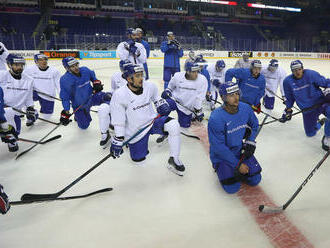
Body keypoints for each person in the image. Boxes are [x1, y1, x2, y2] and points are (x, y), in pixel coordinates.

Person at [109, 64, 185, 176]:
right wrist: (119, 138)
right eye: (137, 76)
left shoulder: (150, 86)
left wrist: (161, 104)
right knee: (139, 161)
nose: (141, 78)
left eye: (142, 75)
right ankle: (137, 148)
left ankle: (174, 159)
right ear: (129, 79)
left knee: (173, 125)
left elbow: (156, 98)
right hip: (136, 131)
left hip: (152, 122)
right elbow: (118, 120)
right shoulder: (119, 95)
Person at [208, 81, 261, 194]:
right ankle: (219, 167)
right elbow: (218, 147)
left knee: (255, 179)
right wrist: (237, 165)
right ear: (223, 97)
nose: (236, 98)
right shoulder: (216, 118)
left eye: (237, 93)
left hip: (239, 150)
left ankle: (234, 170)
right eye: (231, 95)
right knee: (232, 188)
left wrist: (251, 141)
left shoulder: (246, 108)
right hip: (222, 156)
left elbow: (255, 125)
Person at [279, 60, 330, 151]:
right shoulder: (287, 81)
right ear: (291, 71)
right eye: (294, 70)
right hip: (308, 110)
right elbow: (289, 98)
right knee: (310, 134)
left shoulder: (311, 74)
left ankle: (327, 137)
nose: (297, 72)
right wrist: (288, 110)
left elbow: (326, 82)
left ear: (302, 68)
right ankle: (321, 122)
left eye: (299, 69)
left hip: (320, 103)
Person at [0, 54, 38, 152]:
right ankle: (10, 140)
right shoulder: (2, 76)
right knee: (9, 131)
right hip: (3, 110)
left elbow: (29, 97)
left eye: (21, 65)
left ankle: (11, 138)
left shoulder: (29, 80)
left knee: (15, 132)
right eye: (16, 65)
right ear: (9, 65)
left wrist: (30, 108)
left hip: (16, 111)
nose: (19, 67)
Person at [59, 57, 108, 130]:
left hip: (91, 98)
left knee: (108, 97)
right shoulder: (65, 79)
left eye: (76, 65)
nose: (76, 68)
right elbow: (65, 97)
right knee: (84, 126)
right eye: (72, 66)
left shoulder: (85, 70)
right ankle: (78, 116)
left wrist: (97, 83)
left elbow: (94, 78)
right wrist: (66, 111)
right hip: (79, 105)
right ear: (66, 68)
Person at [161, 61, 208, 135]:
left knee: (184, 126)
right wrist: (167, 91)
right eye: (193, 72)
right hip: (175, 101)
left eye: (197, 71)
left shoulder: (202, 80)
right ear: (188, 71)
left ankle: (189, 118)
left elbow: (199, 98)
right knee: (163, 107)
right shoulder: (177, 76)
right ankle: (162, 125)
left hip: (187, 108)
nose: (196, 74)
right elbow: (170, 87)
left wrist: (198, 111)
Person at [97, 60, 132, 146]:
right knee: (102, 109)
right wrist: (109, 94)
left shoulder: (136, 76)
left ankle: (128, 134)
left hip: (130, 103)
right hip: (116, 101)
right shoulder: (115, 76)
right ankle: (105, 134)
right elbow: (113, 89)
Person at [24, 53, 61, 119]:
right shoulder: (29, 70)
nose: (44, 61)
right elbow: (22, 79)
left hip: (48, 94)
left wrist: (62, 95)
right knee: (24, 98)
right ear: (36, 62)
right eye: (41, 60)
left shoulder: (54, 71)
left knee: (47, 116)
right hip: (34, 92)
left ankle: (38, 112)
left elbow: (59, 85)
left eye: (45, 59)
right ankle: (31, 114)